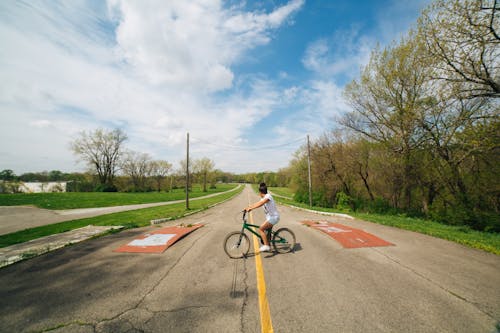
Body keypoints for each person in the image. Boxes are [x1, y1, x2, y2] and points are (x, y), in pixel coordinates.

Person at [245, 182, 280, 252]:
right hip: (270, 218)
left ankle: (266, 246)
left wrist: (251, 208)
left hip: (274, 218)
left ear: (261, 192)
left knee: (261, 229)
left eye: (259, 193)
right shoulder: (264, 198)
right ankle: (268, 244)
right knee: (267, 233)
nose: (259, 194)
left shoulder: (268, 196)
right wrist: (249, 208)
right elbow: (257, 203)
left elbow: (261, 203)